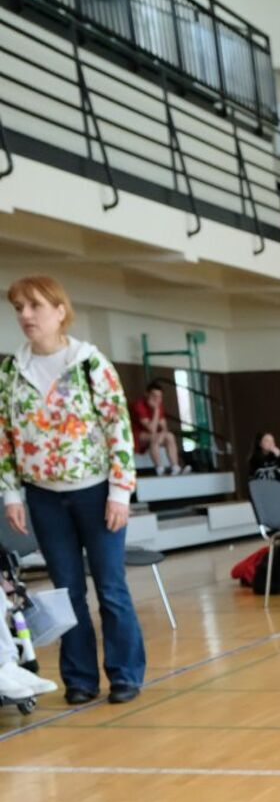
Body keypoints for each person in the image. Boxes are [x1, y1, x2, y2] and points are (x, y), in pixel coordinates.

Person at [0, 274, 145, 705]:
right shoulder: (10, 371)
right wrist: (11, 493)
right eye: (19, 308)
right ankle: (79, 678)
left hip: (96, 492)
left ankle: (125, 673)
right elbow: (4, 435)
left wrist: (120, 492)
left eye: (35, 307)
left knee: (110, 586)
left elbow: (118, 429)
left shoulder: (89, 363)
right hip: (43, 496)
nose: (26, 315)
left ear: (60, 311)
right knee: (66, 589)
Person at [130, 379, 185, 474]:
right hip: (137, 436)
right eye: (154, 396)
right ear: (147, 394)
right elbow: (152, 429)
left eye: (159, 396)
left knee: (170, 436)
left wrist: (163, 434)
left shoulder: (159, 405)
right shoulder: (139, 405)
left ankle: (175, 466)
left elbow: (164, 427)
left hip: (152, 435)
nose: (157, 399)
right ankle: (159, 467)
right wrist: (156, 410)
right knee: (155, 437)